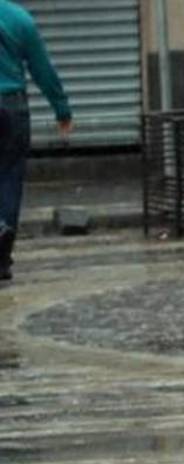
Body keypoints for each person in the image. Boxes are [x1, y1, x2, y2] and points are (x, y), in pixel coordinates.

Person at [0, 0, 72, 284]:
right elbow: (42, 68)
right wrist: (61, 109)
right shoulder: (19, 19)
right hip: (12, 107)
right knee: (10, 177)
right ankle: (2, 255)